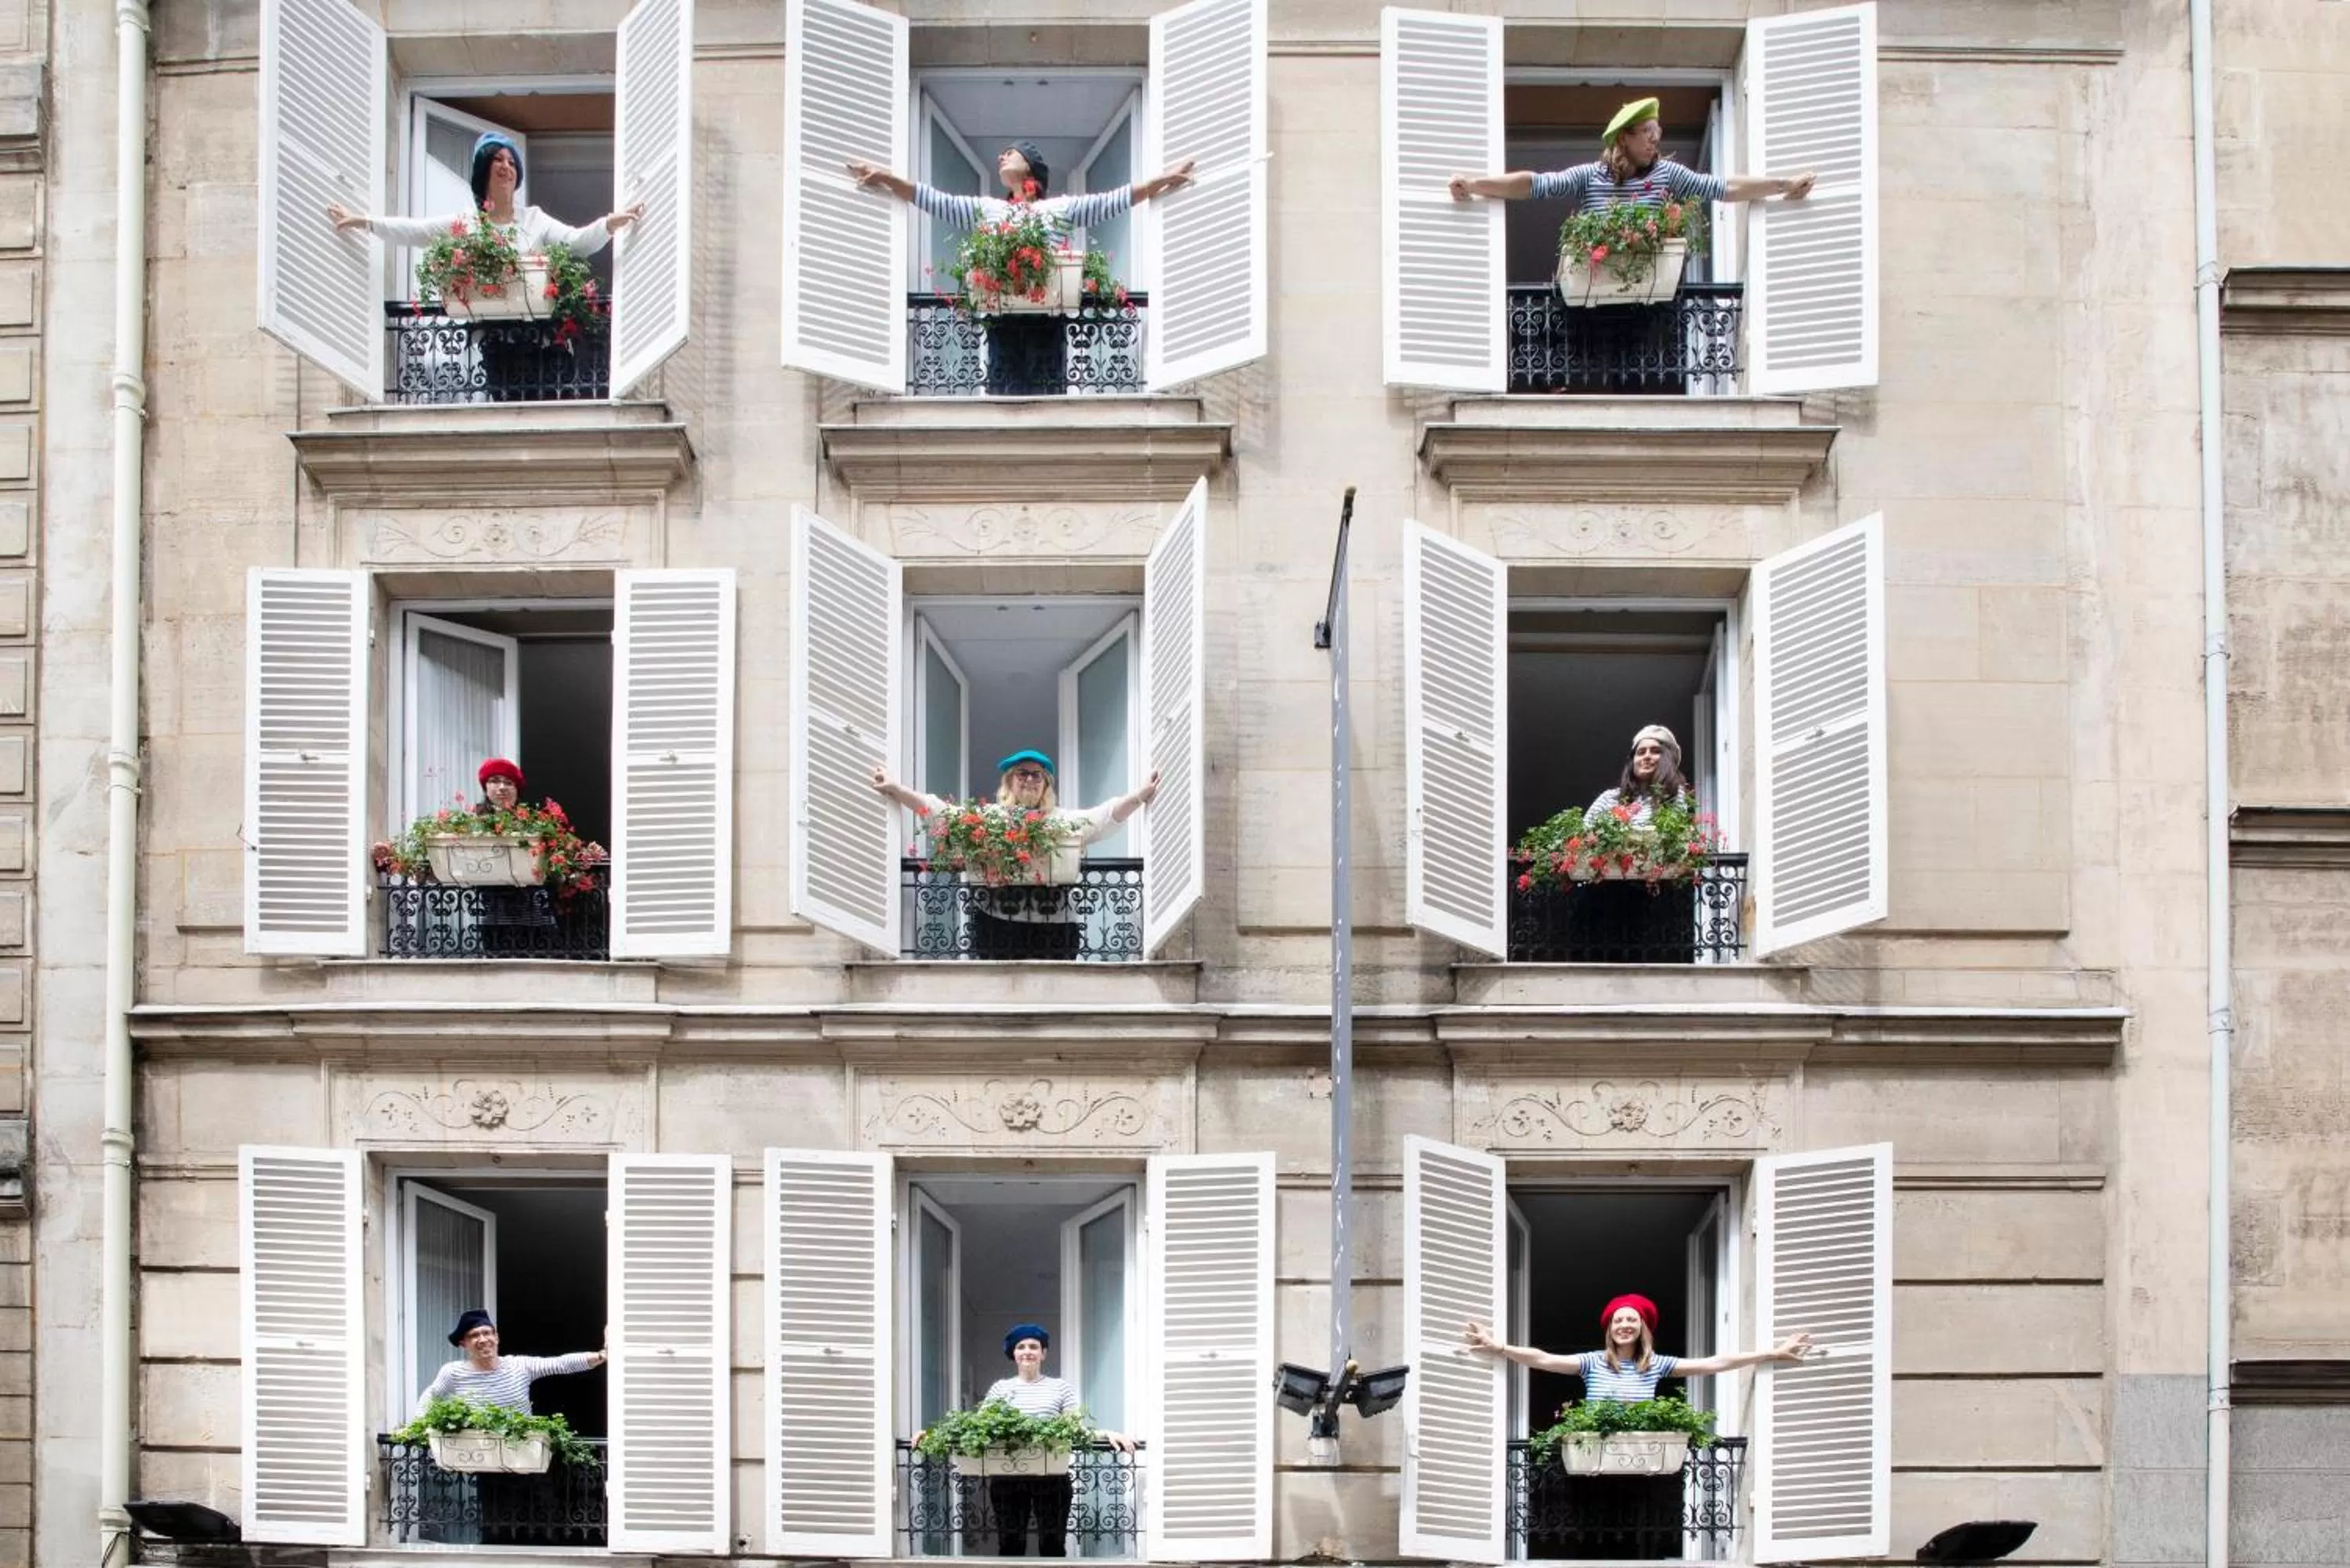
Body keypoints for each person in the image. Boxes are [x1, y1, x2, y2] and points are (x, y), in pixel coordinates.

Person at [1446, 97, 1815, 392]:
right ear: (1624, 137)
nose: (1655, 141)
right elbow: (1534, 185)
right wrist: (1476, 185)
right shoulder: (1591, 177)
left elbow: (1723, 188)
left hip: (1645, 308)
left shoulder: (1667, 175)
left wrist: (1783, 185)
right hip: (1592, 306)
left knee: (1636, 371)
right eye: (1647, 134)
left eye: (1658, 134)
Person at [844, 141, 1196, 393]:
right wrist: (887, 178)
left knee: (1045, 392)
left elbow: (1115, 201)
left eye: (1009, 153)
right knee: (1004, 394)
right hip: (1003, 318)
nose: (1001, 156)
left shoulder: (1059, 209)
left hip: (1046, 319)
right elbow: (935, 201)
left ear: (1029, 167)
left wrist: (1162, 180)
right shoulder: (988, 209)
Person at [326, 134, 643, 400]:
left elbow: (576, 242)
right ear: (483, 170)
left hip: (542, 343)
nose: (507, 167)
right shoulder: (467, 224)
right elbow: (416, 230)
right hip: (497, 346)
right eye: (498, 160)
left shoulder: (534, 219)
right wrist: (365, 222)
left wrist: (609, 224)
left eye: (511, 161)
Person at [871, 750, 1160, 960]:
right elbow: (939, 812)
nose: (1030, 780)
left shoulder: (1061, 820)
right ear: (1010, 782)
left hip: (1055, 925)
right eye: (1023, 774)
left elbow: (1106, 817)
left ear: (1045, 785)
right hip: (996, 923)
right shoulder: (989, 820)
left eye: (1038, 775)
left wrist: (1139, 796)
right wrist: (896, 790)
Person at [1463, 1293, 1812, 1402]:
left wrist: (1770, 1353)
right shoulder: (1591, 1362)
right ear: (1610, 1329)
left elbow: (1714, 1362)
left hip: (1643, 1463)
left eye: (1632, 1320)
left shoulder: (1656, 1365)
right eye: (1618, 1320)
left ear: (1643, 1328)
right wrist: (1500, 1347)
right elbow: (1542, 1359)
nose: (1624, 1325)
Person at [978, 1324, 1135, 1556]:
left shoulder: (1060, 1388)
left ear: (1043, 1353)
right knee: (1010, 1545)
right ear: (1014, 1354)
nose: (1027, 1351)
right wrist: (932, 1435)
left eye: (1034, 1346)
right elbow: (978, 1428)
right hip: (1008, 1475)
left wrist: (1105, 1433)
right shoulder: (1001, 1389)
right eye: (1021, 1347)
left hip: (1051, 1475)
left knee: (1053, 1545)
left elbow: (1074, 1428)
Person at [418, 1308, 606, 1417]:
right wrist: (418, 1428)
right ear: (463, 1344)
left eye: (487, 1333)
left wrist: (600, 1356)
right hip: (484, 1463)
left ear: (496, 1337)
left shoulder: (519, 1366)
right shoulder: (453, 1373)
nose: (483, 1339)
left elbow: (561, 1364)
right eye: (474, 1335)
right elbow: (433, 1395)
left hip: (523, 1459)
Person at [1589, 724, 1690, 822]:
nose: (1647, 756)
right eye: (1641, 752)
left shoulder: (1675, 796)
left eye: (1655, 751)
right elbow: (1583, 837)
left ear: (1667, 759)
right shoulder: (1608, 799)